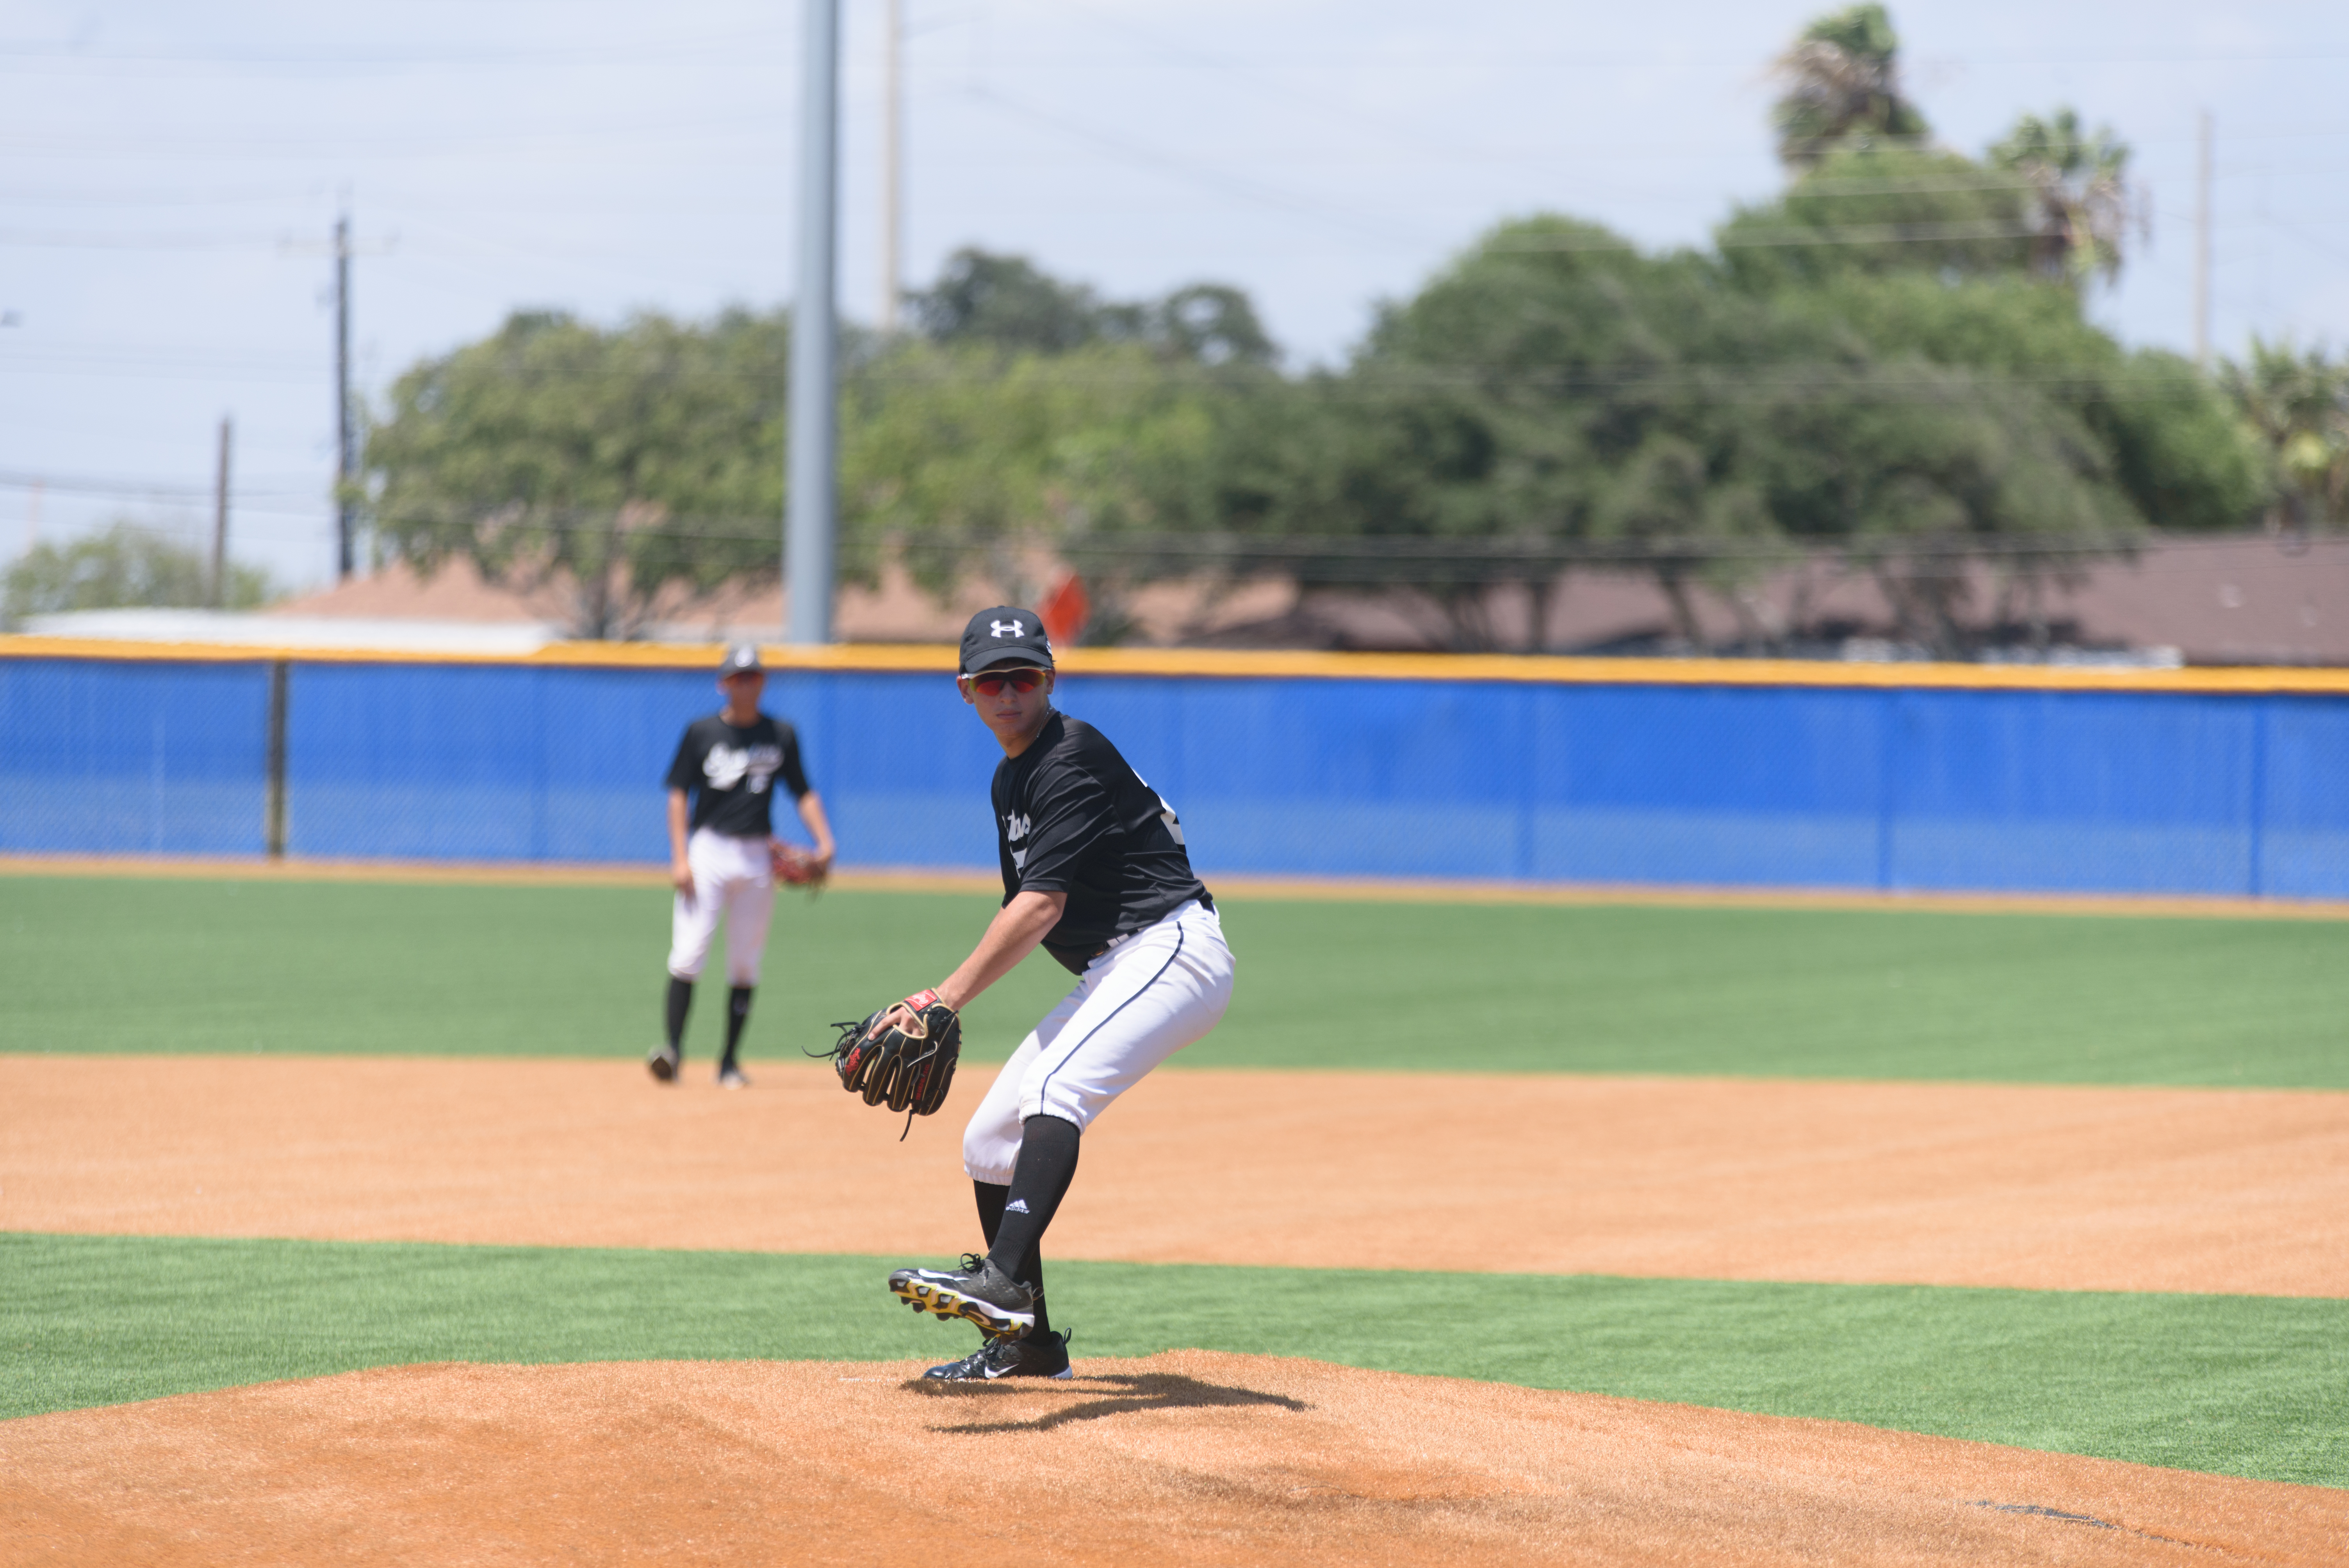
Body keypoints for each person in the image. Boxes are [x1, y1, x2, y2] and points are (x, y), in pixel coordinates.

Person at [883, 607, 1237, 1380]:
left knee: (1053, 1086)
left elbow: (1041, 906)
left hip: (1171, 946)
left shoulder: (1067, 757)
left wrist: (940, 999)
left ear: (1049, 679)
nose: (1008, 694)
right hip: (1122, 965)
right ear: (965, 692)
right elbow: (1032, 910)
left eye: (1024, 677)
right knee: (987, 1139)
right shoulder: (1013, 775)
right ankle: (1030, 1343)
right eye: (992, 681)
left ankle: (1002, 1280)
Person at [652, 643, 835, 1089]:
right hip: (708, 850)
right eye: (737, 677)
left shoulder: (781, 734)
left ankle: (729, 1062)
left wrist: (825, 840)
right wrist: (679, 856)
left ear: (763, 682)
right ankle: (673, 1052)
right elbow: (678, 794)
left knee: (745, 962)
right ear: (723, 683)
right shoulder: (701, 732)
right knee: (690, 951)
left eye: (752, 676)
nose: (745, 684)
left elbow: (802, 791)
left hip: (757, 855)